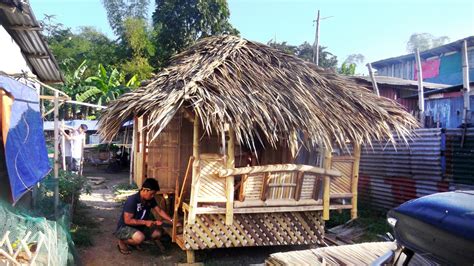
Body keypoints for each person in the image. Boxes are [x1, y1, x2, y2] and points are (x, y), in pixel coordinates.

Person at [115, 178, 173, 255]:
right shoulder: (132, 200)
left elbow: (159, 211)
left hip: (140, 226)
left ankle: (135, 242)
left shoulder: (150, 199)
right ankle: (122, 241)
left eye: (154, 194)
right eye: (152, 194)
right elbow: (127, 220)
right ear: (145, 190)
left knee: (157, 233)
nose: (153, 196)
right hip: (124, 228)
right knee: (140, 238)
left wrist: (172, 220)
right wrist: (145, 222)